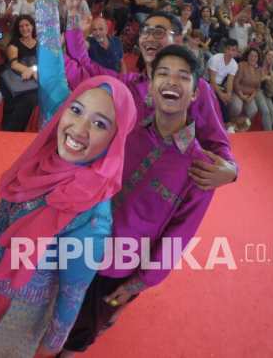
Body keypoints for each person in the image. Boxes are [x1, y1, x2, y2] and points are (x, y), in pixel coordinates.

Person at [0, 0, 137, 357]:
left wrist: (52, 344)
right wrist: (47, 2)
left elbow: (73, 291)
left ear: (115, 140)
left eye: (100, 124)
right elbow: (49, 75)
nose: (78, 129)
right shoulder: (54, 131)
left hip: (25, 294)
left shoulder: (94, 218)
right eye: (76, 110)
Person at [61, 45, 216, 355]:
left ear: (196, 93)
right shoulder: (126, 126)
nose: (170, 82)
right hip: (74, 237)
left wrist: (139, 283)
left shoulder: (202, 168)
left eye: (182, 77)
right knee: (53, 308)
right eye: (162, 74)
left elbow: (178, 236)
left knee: (80, 331)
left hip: (117, 266)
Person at [62, 0, 238, 189]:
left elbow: (217, 142)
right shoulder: (129, 84)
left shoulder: (196, 89)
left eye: (159, 32)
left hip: (161, 197)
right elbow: (83, 64)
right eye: (145, 31)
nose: (149, 37)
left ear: (179, 39)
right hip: (113, 186)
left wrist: (231, 170)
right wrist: (72, 16)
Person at [0, 15, 38, 132]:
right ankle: (10, 131)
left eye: (27, 25)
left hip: (31, 81)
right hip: (14, 79)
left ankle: (16, 132)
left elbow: (44, 63)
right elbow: (14, 64)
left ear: (32, 26)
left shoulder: (40, 44)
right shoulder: (14, 44)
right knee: (19, 101)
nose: (24, 28)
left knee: (30, 99)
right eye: (21, 26)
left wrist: (33, 69)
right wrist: (30, 70)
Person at [208, 38, 240, 127]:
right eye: (228, 49)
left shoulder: (234, 64)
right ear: (225, 49)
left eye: (233, 50)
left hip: (219, 86)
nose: (230, 52)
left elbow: (230, 81)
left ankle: (225, 126)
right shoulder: (216, 59)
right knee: (220, 101)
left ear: (236, 52)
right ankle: (221, 125)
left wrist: (228, 94)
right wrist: (222, 95)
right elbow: (212, 80)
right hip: (206, 83)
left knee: (226, 102)